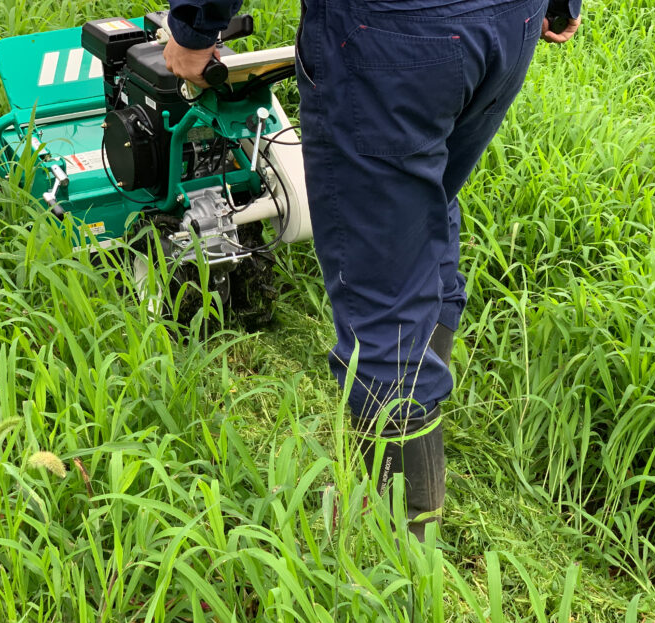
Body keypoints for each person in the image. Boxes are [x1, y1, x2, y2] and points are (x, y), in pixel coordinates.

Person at [165, 0, 581, 542]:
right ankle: (415, 431)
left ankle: (397, 570)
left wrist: (195, 28)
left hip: (391, 38)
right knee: (421, 208)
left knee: (385, 300)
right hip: (508, 23)